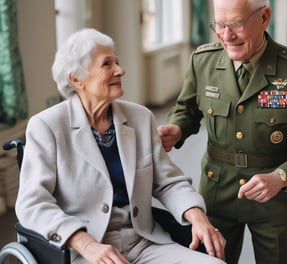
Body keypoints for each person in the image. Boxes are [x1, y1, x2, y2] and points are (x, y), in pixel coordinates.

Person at [15, 28, 226, 264]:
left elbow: (168, 182)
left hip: (144, 242)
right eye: (107, 64)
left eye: (117, 61)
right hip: (83, 250)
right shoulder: (47, 126)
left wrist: (198, 218)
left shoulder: (140, 118)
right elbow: (32, 204)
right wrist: (85, 243)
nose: (120, 70)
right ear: (76, 79)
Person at [158, 0, 287, 263]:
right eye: (220, 25)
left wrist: (281, 177)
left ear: (264, 18)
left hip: (277, 200)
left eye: (236, 24)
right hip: (217, 193)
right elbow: (187, 109)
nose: (227, 36)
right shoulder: (203, 61)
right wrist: (177, 128)